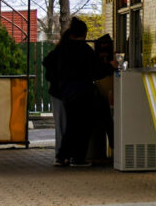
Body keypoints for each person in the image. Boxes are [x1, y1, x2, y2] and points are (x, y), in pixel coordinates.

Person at [42, 18, 109, 167]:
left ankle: (62, 157)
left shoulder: (62, 48)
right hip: (82, 92)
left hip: (65, 92)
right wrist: (110, 66)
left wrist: (57, 81)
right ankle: (78, 158)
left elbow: (47, 62)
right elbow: (97, 71)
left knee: (72, 126)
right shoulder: (84, 49)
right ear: (84, 34)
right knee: (83, 126)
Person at [89, 34, 118, 165]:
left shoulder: (94, 58)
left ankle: (103, 152)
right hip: (107, 94)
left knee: (105, 123)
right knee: (108, 123)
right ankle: (113, 148)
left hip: (100, 95)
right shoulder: (106, 65)